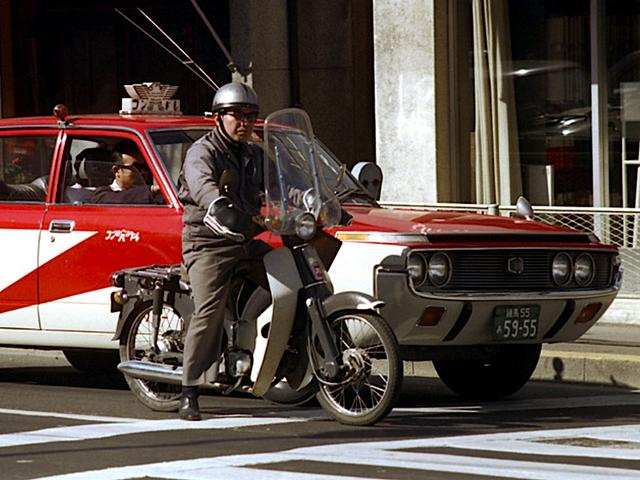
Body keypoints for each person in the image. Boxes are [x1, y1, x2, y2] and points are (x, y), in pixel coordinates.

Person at [177, 82, 270, 421]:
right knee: (209, 310)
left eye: (250, 116)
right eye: (236, 115)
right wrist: (216, 203)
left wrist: (313, 198)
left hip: (245, 241)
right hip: (208, 242)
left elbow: (282, 182)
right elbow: (201, 183)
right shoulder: (202, 152)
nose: (244, 122)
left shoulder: (253, 154)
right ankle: (190, 388)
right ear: (217, 117)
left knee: (295, 275)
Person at [89, 141, 162, 204]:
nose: (143, 172)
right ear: (117, 171)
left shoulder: (156, 197)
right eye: (136, 167)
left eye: (145, 167)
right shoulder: (101, 195)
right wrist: (151, 190)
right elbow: (117, 199)